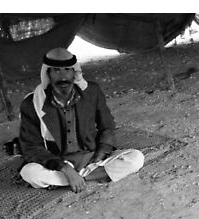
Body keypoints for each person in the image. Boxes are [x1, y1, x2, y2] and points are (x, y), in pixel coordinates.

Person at [18, 47, 144, 193]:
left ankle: (73, 180)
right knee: (29, 173)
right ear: (48, 74)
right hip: (56, 161)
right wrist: (64, 168)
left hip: (91, 157)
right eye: (56, 70)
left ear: (74, 72)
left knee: (136, 158)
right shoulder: (32, 103)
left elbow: (107, 126)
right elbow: (31, 146)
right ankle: (85, 176)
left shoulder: (92, 92)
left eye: (67, 69)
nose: (62, 76)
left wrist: (101, 153)